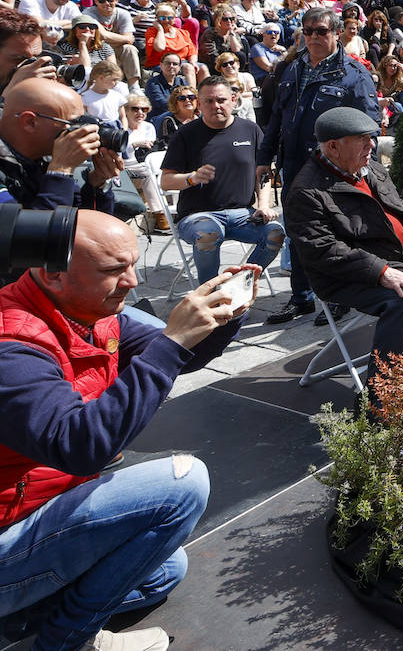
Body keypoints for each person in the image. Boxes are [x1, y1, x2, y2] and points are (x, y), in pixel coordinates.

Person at [0, 211, 255, 651]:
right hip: (9, 534)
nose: (133, 281)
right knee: (182, 484)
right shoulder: (12, 349)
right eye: (114, 270)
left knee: (165, 567)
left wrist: (221, 315)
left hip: (40, 507)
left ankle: (22, 617)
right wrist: (173, 341)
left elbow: (177, 356)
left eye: (133, 264)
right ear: (52, 275)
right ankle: (64, 641)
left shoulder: (85, 308)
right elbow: (82, 446)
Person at [284, 108, 403, 381]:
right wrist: (380, 271)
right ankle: (383, 399)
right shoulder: (307, 192)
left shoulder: (373, 170)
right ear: (333, 147)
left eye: (371, 137)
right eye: (362, 139)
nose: (372, 144)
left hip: (399, 262)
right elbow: (322, 251)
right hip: (349, 276)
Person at [260, 6, 380, 324]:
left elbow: (370, 124)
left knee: (334, 234)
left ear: (337, 32)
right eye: (308, 30)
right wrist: (263, 158)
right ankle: (301, 297)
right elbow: (276, 118)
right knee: (298, 233)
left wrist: (361, 167)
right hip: (293, 164)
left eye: (321, 30)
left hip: (332, 169)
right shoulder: (292, 69)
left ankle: (340, 296)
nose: (314, 36)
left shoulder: (354, 74)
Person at [160, 76, 283, 285]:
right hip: (197, 215)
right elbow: (166, 181)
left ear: (233, 100)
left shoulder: (250, 130)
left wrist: (263, 205)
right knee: (209, 233)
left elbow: (263, 173)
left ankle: (240, 285)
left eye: (221, 100)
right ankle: (210, 293)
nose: (215, 106)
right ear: (199, 104)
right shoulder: (186, 134)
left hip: (242, 213)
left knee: (275, 234)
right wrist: (192, 178)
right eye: (208, 101)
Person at [0, 78, 122, 215]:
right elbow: (27, 233)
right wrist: (59, 171)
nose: (81, 130)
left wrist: (97, 183)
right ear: (30, 122)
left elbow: (86, 223)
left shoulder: (44, 159)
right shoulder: (56, 161)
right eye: (74, 122)